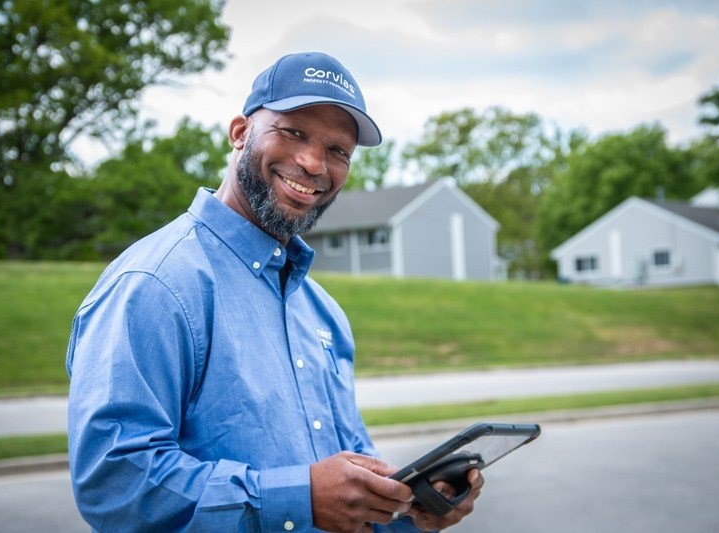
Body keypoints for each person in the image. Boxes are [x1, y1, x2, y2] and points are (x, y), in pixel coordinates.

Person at [66, 51, 483, 532]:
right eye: (293, 132)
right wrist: (297, 497)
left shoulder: (322, 313)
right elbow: (114, 483)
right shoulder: (156, 284)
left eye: (338, 151)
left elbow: (344, 492)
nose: (313, 163)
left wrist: (409, 513)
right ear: (241, 133)